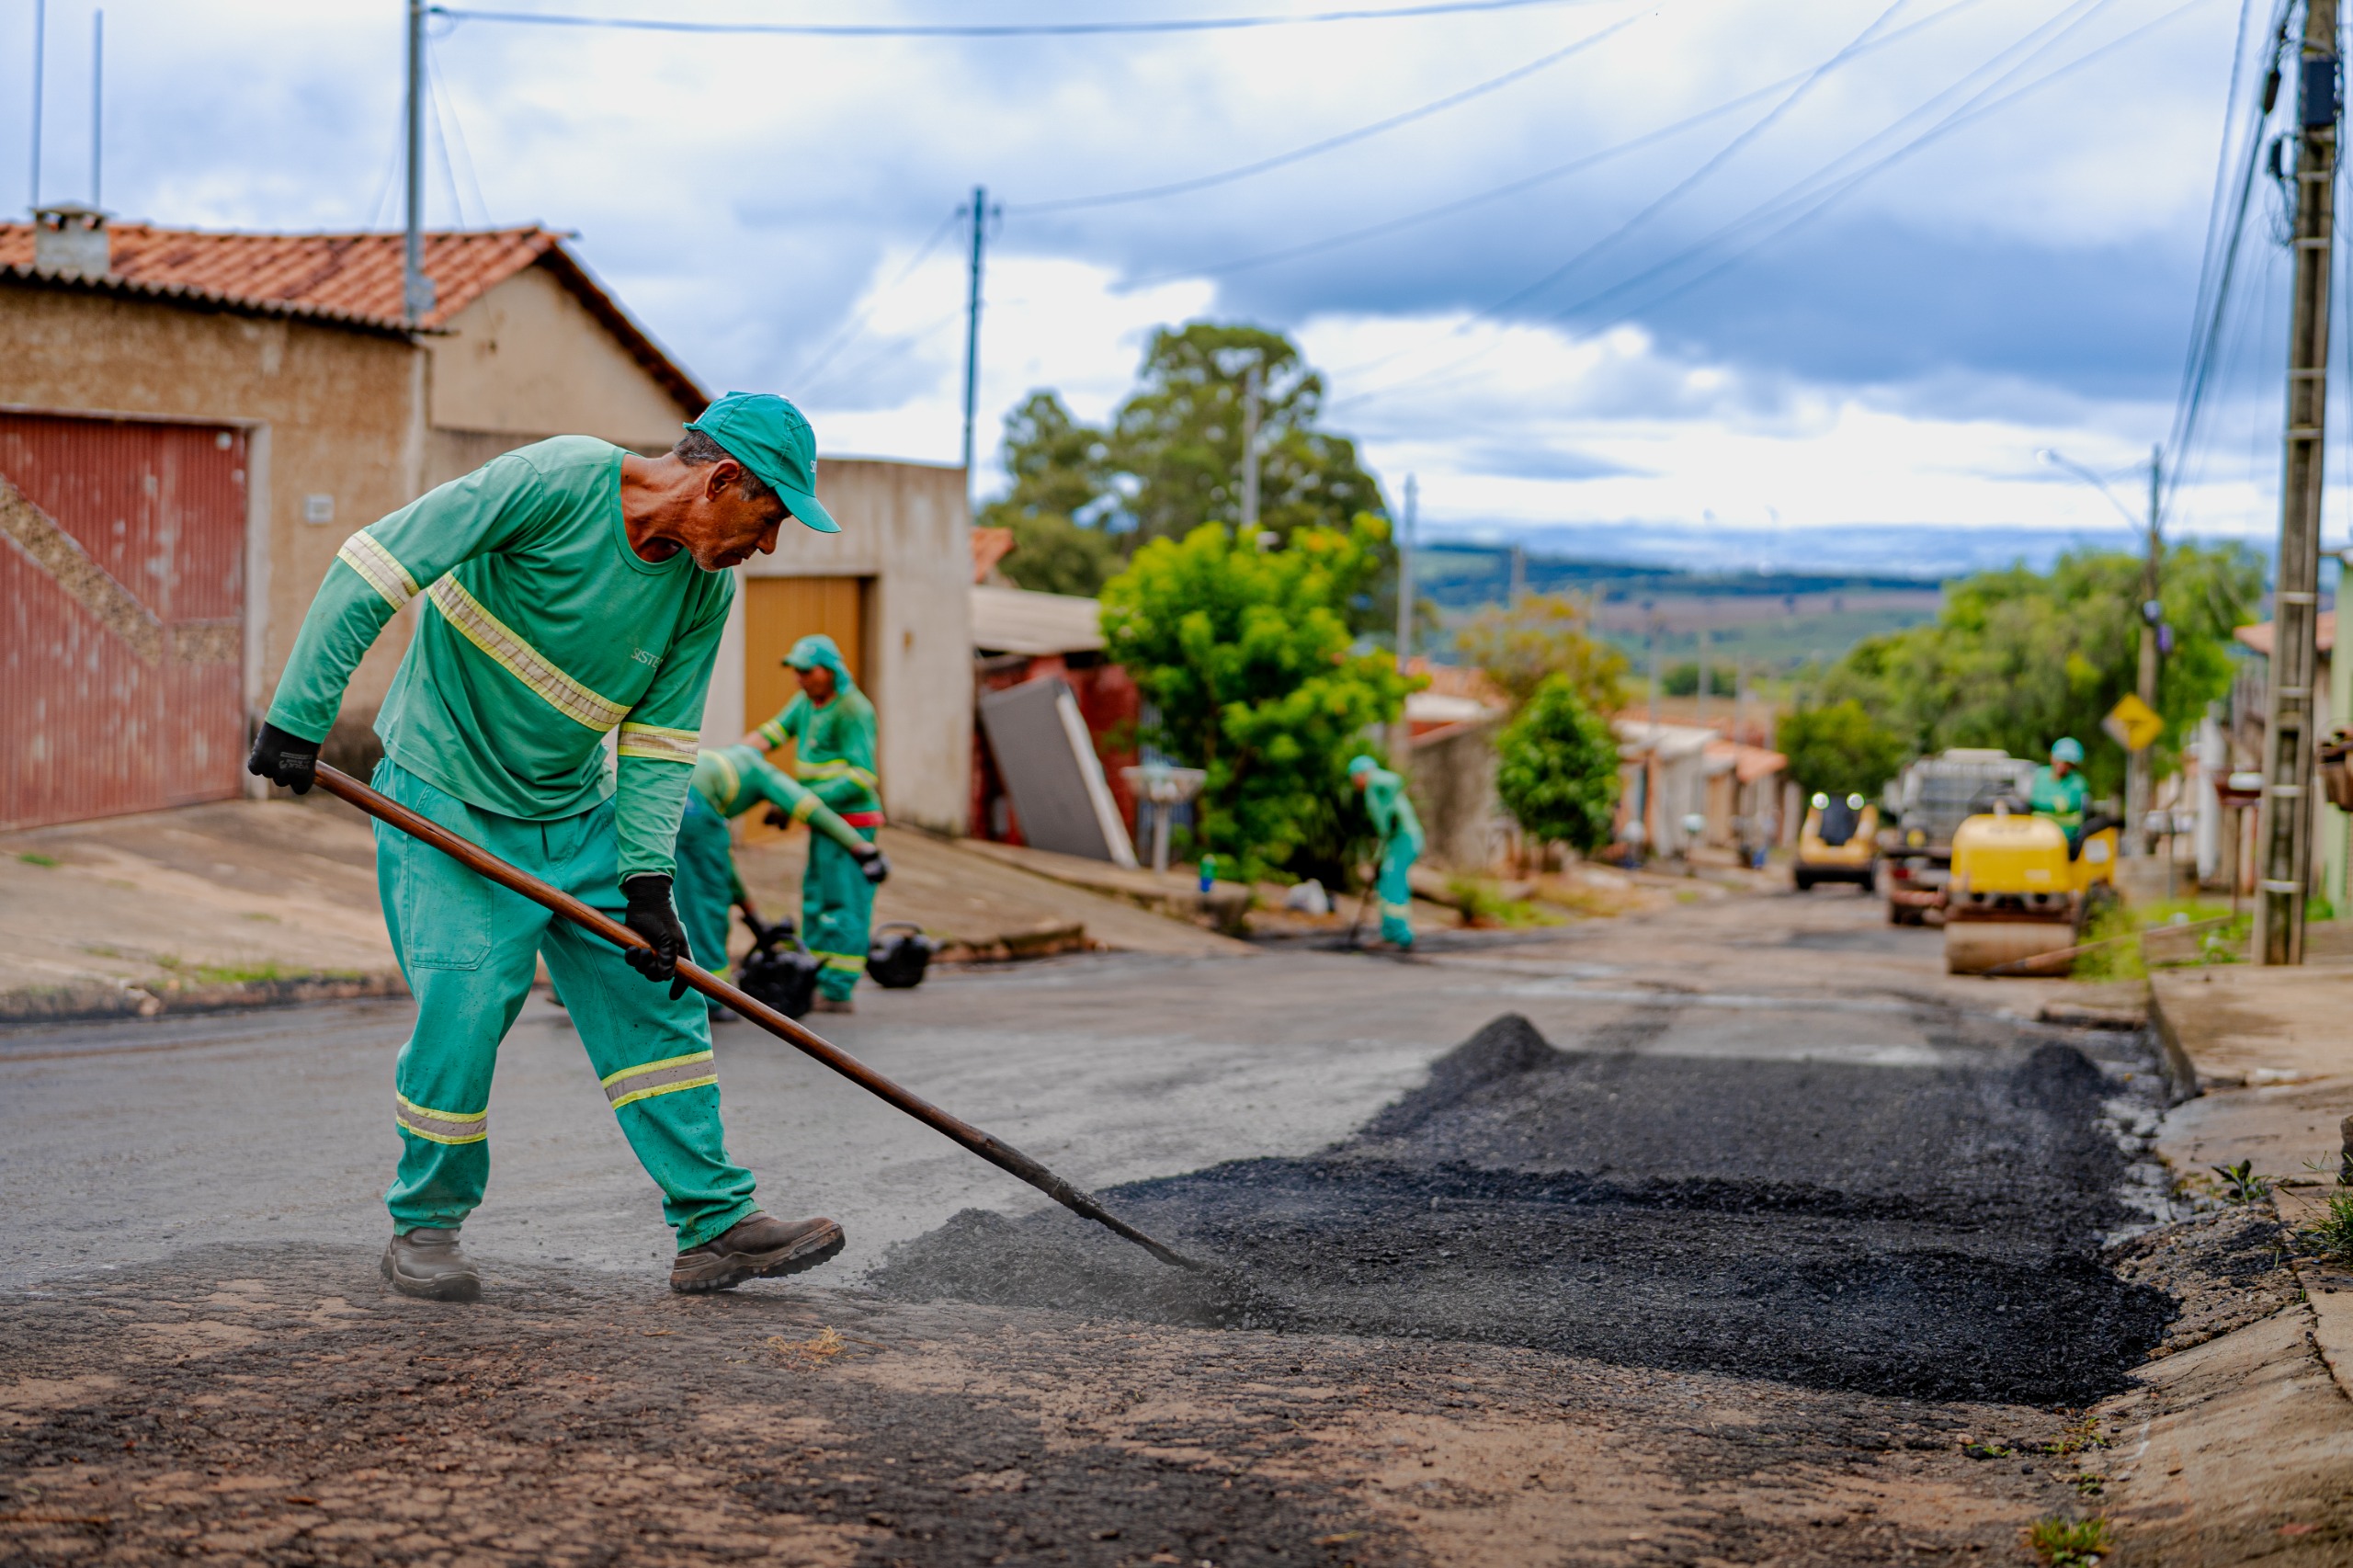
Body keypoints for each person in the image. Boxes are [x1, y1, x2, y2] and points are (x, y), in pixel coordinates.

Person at [246, 392, 850, 1302]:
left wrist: (647, 882)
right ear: (722, 479)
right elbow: (376, 564)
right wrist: (300, 713)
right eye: (768, 519)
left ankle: (714, 1223)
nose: (765, 546)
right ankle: (425, 1226)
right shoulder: (554, 481)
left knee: (657, 997)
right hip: (446, 795)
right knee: (465, 1003)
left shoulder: (703, 591)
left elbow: (659, 742)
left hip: (575, 810)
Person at [673, 744, 889, 1010]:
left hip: (669, 787)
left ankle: (681, 988)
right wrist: (861, 848)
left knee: (676, 896)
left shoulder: (727, 765)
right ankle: (711, 999)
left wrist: (753, 917)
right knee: (707, 908)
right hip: (694, 805)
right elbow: (811, 809)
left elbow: (722, 867)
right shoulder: (763, 774)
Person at [745, 635, 881, 1013]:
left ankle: (837, 988)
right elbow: (771, 733)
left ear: (829, 671)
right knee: (817, 899)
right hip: (821, 822)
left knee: (844, 902)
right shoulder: (807, 703)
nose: (800, 679)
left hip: (851, 825)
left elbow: (862, 776)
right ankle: (816, 976)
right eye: (797, 671)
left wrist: (799, 801)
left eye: (806, 672)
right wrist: (735, 758)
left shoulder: (853, 709)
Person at [1348, 754, 1424, 949]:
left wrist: (1372, 775)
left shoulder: (1376, 782)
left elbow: (1395, 780)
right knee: (1385, 883)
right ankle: (1389, 933)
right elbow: (1384, 832)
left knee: (1393, 881)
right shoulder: (1372, 793)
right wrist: (1378, 858)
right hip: (1393, 840)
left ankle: (1401, 935)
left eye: (1355, 777)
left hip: (1404, 838)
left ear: (1361, 774)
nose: (1354, 782)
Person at [2029, 738, 2089, 835]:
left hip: (2067, 833)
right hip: (2038, 831)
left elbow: (2068, 804)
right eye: (2060, 760)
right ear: (2052, 757)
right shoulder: (2041, 774)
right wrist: (2053, 802)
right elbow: (2034, 799)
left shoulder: (2078, 782)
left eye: (2067, 763)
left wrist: (2045, 803)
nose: (2062, 765)